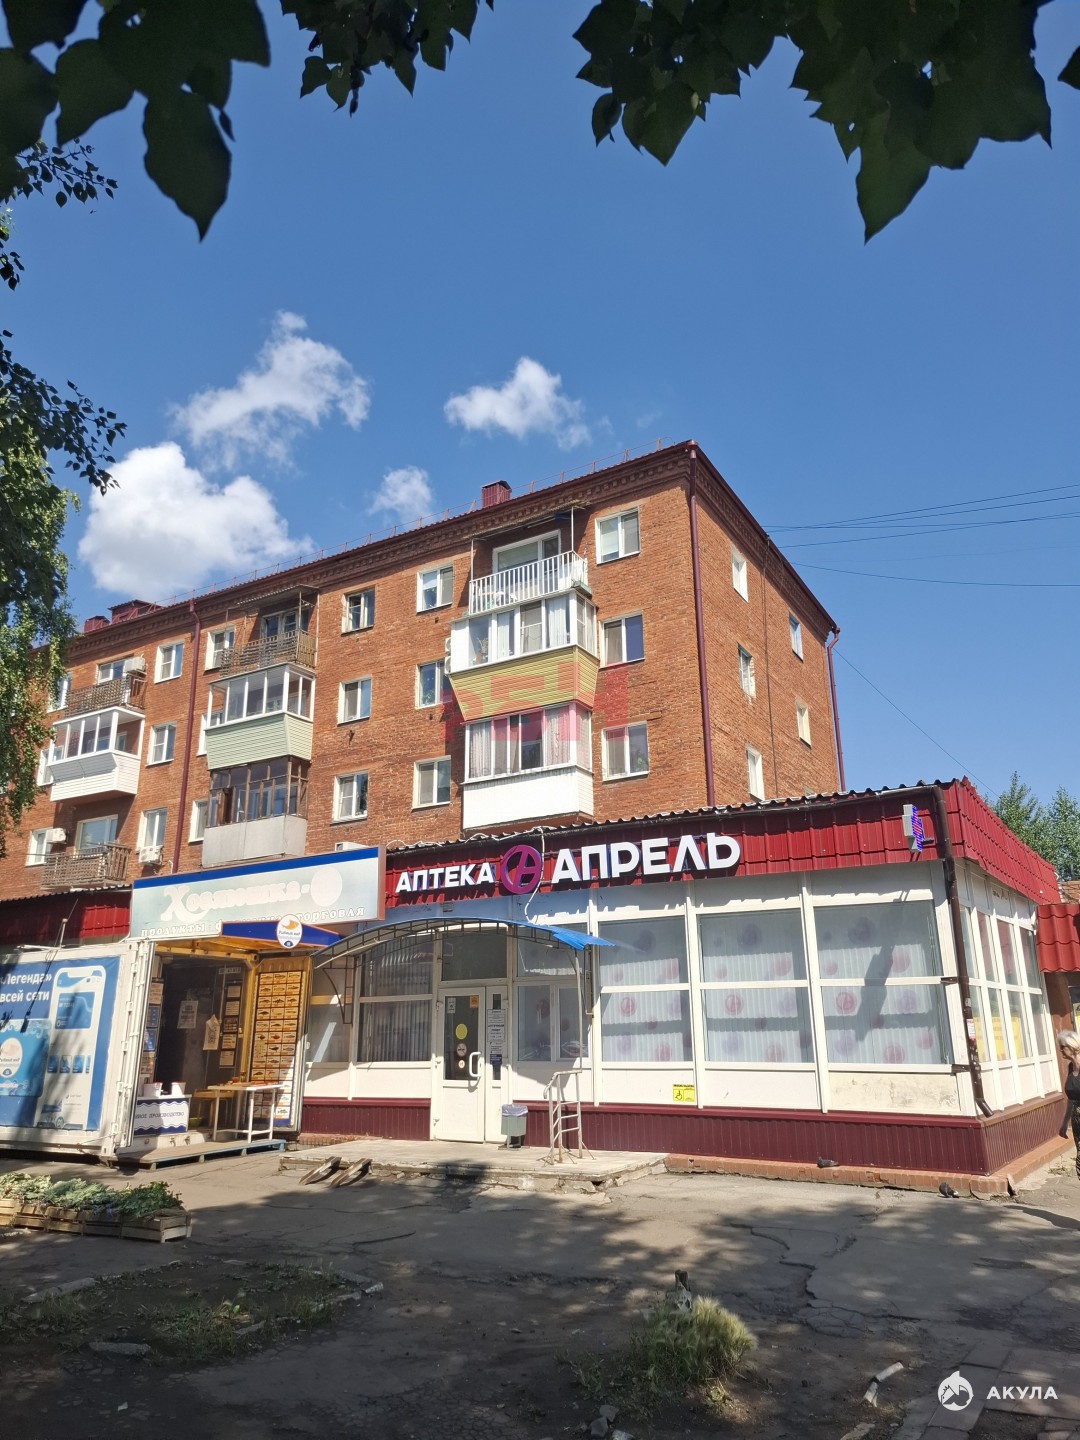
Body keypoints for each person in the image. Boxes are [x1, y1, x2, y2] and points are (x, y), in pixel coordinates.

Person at [1057, 1030, 1080, 1180]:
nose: (1060, 1051)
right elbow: (1071, 1099)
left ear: (1072, 1047)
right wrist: (1065, 1123)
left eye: (1062, 1047)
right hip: (1077, 1123)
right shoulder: (1071, 1067)